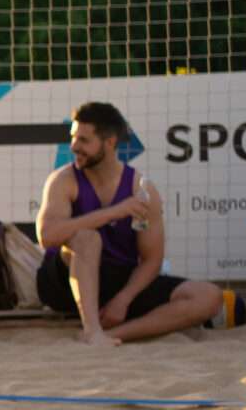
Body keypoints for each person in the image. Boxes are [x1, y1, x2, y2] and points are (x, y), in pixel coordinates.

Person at [34, 100, 220, 346]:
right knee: (87, 238)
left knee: (209, 296)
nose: (74, 147)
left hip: (119, 281)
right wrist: (114, 212)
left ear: (109, 143)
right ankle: (92, 329)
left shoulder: (142, 190)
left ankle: (113, 335)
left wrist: (123, 299)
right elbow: (47, 236)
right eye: (73, 138)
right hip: (65, 282)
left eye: (83, 140)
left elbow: (152, 260)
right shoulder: (63, 180)